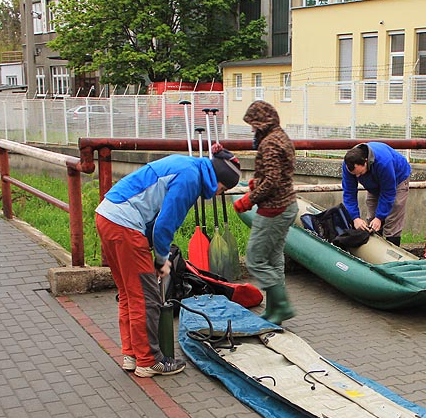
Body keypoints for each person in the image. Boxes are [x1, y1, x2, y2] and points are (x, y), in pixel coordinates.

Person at [96, 151, 242, 377]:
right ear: (218, 180)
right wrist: (162, 259)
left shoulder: (187, 164)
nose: (217, 194)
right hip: (125, 225)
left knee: (128, 293)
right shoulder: (190, 178)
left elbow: (153, 212)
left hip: (108, 215)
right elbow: (164, 224)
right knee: (146, 298)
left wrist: (150, 250)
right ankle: (149, 361)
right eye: (222, 190)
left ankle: (132, 354)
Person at [233, 100, 298, 325]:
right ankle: (273, 312)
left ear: (262, 123)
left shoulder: (269, 144)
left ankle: (281, 306)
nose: (251, 129)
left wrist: (248, 199)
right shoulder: (282, 137)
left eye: (253, 124)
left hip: (274, 209)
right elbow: (279, 174)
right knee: (273, 259)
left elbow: (271, 181)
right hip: (288, 204)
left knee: (255, 260)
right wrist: (257, 182)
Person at [341, 142, 412, 246]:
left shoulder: (384, 162)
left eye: (360, 174)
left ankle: (392, 249)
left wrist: (379, 218)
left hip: (397, 178)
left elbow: (388, 192)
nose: (357, 177)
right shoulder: (348, 166)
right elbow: (349, 193)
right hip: (373, 183)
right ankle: (373, 248)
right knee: (372, 217)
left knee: (393, 212)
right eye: (355, 175)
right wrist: (355, 218)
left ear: (366, 161)